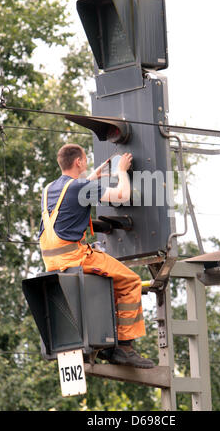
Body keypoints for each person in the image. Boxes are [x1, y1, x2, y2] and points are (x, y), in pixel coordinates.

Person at [38, 143, 154, 369]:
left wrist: (92, 177)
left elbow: (73, 194)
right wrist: (121, 171)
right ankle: (124, 348)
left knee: (111, 279)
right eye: (85, 159)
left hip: (52, 261)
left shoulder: (49, 189)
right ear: (78, 162)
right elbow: (122, 195)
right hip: (75, 257)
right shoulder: (80, 187)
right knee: (130, 281)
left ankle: (112, 342)